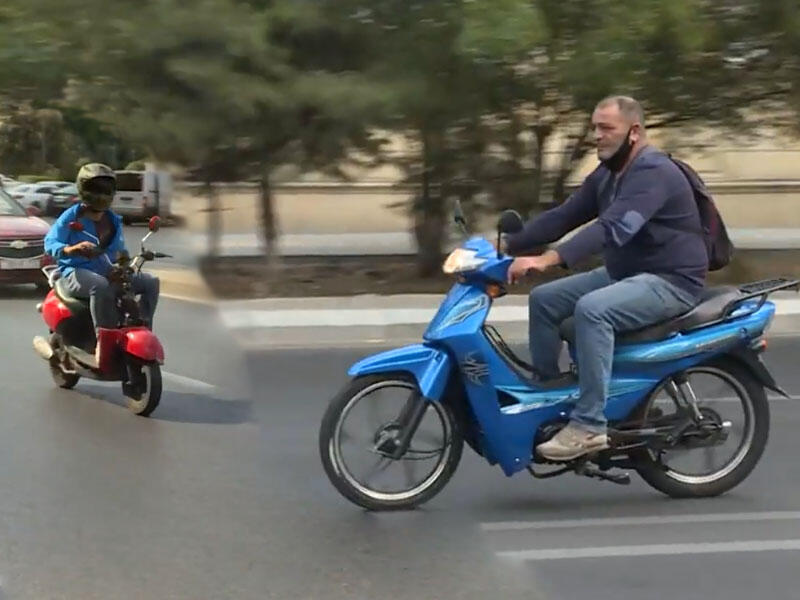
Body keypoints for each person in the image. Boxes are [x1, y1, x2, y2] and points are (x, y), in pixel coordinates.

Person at [499, 96, 708, 462]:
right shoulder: (610, 174)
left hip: (670, 280)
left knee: (592, 311)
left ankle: (589, 426)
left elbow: (610, 229)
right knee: (545, 301)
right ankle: (549, 400)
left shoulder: (653, 173)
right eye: (595, 127)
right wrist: (505, 245)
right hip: (627, 273)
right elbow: (565, 216)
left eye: (607, 128)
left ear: (634, 132)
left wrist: (548, 259)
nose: (597, 135)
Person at [40, 163, 159, 365]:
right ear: (84, 190)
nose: (102, 195)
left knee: (150, 282)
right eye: (96, 189)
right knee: (100, 285)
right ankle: (102, 343)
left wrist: (123, 265)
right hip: (75, 272)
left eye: (106, 189)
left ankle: (143, 326)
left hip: (106, 271)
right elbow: (50, 242)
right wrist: (72, 249)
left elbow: (120, 252)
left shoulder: (113, 221)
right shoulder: (71, 217)